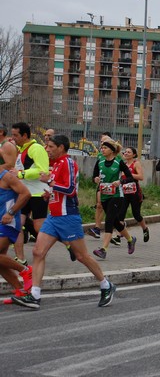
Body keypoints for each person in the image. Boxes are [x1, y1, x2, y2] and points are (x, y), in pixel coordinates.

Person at [11, 135, 116, 309]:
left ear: (61, 147)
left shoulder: (68, 163)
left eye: (51, 146)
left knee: (82, 256)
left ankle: (106, 285)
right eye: (47, 146)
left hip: (68, 217)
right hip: (53, 216)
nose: (47, 149)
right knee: (38, 252)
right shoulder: (57, 164)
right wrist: (49, 193)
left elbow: (69, 189)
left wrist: (49, 181)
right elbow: (59, 188)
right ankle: (35, 296)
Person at [10, 122, 50, 266]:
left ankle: (68, 244)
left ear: (25, 135)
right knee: (16, 224)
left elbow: (43, 171)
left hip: (39, 193)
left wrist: (21, 174)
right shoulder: (19, 150)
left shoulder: (36, 148)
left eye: (16, 135)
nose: (13, 138)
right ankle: (21, 258)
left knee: (39, 228)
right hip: (24, 194)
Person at [91, 139, 137, 259]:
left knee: (109, 220)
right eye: (102, 148)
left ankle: (103, 249)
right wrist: (95, 179)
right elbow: (94, 176)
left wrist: (120, 181)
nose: (102, 150)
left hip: (117, 196)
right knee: (116, 222)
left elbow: (130, 177)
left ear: (111, 150)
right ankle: (130, 239)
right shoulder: (100, 161)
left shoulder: (118, 162)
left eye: (105, 148)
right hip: (104, 195)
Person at [0, 162, 32, 305]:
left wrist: (11, 212)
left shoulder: (6, 177)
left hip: (9, 222)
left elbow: (26, 193)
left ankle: (25, 270)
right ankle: (21, 291)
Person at [119, 147, 150, 242]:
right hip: (124, 193)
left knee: (136, 214)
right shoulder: (123, 164)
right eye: (125, 152)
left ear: (134, 155)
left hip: (135, 193)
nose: (126, 153)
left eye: (129, 152)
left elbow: (141, 177)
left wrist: (129, 174)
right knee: (121, 214)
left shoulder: (136, 164)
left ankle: (145, 229)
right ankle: (118, 236)